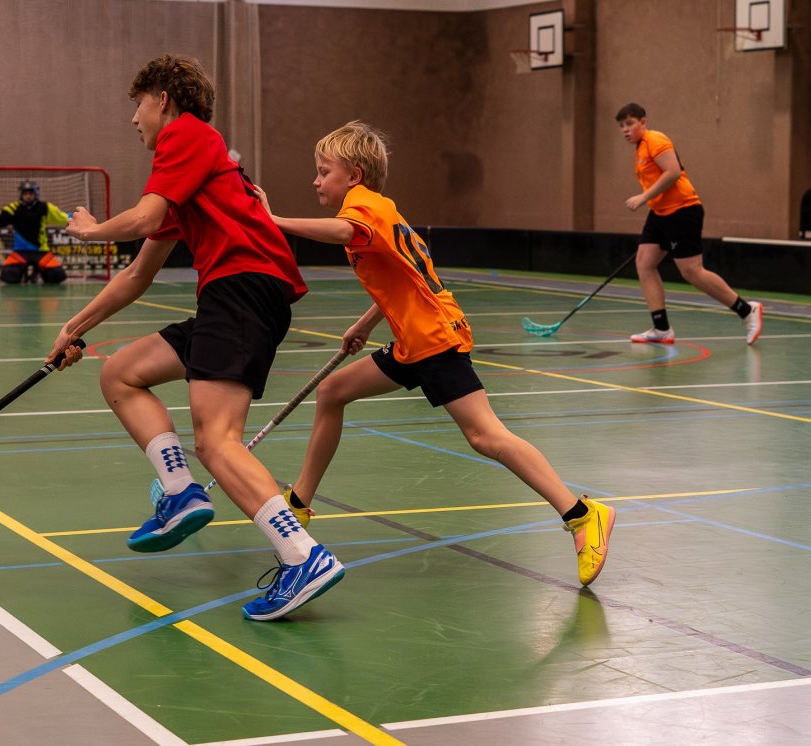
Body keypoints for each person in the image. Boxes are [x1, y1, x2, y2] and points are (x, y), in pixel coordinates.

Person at [47, 54, 344, 622]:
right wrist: (73, 329)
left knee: (217, 439)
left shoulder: (186, 135)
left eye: (138, 105)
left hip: (242, 290)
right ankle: (180, 492)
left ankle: (303, 555)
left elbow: (140, 219)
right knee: (121, 373)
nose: (134, 119)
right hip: (233, 296)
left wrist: (90, 230)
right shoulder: (190, 177)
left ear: (163, 100)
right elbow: (138, 274)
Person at [255, 120, 615, 587]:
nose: (315, 181)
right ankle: (300, 503)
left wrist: (274, 221)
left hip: (435, 340)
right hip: (413, 341)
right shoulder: (382, 210)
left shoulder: (362, 208)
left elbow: (342, 232)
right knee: (333, 391)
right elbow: (407, 275)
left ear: (354, 176)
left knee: (486, 436)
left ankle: (582, 514)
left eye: (324, 172)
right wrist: (366, 323)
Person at [616, 103, 762, 345]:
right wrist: (652, 201)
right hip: (660, 213)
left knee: (692, 271)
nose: (625, 129)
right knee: (644, 263)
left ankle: (747, 311)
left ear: (643, 122)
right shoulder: (640, 148)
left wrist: (643, 197)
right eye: (621, 126)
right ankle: (661, 329)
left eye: (630, 123)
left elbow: (673, 171)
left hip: (683, 210)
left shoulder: (655, 139)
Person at [0, 181, 69, 284]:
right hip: (20, 252)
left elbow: (63, 218)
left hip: (41, 251)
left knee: (57, 276)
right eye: (25, 194)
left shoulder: (45, 208)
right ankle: (23, 270)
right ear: (21, 195)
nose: (28, 196)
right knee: (9, 276)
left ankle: (38, 270)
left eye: (30, 193)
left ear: (36, 194)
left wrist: (77, 218)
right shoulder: (12, 209)